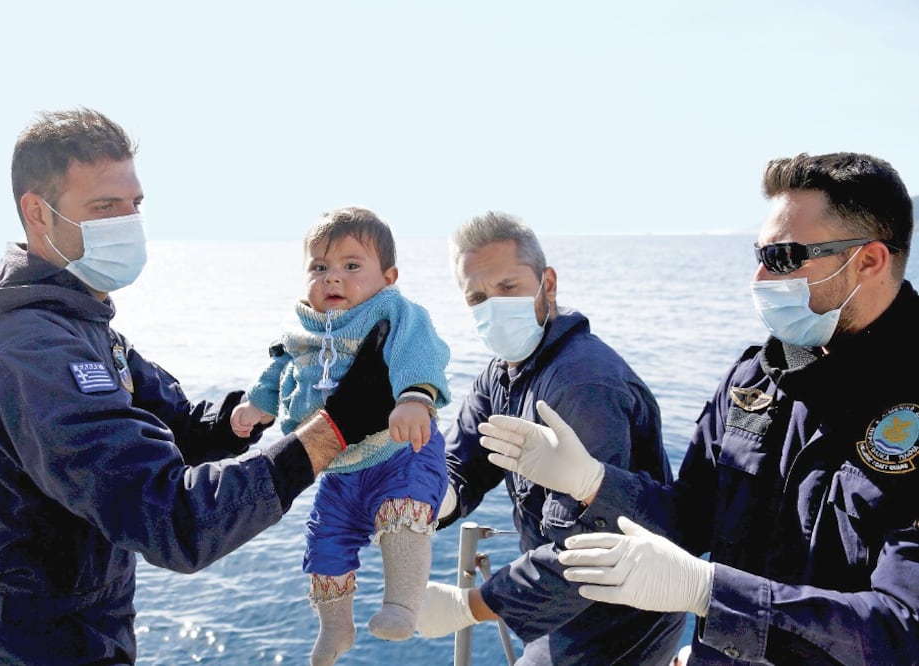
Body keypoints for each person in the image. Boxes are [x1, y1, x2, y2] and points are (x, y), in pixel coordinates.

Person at [0, 108, 398, 665]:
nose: (129, 222)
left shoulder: (78, 327)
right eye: (105, 208)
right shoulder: (32, 354)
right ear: (38, 213)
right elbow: (173, 518)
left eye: (136, 205)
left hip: (75, 634)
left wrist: (262, 407)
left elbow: (175, 425)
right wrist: (333, 429)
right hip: (21, 649)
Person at [479, 153, 919, 664]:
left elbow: (901, 629)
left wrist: (708, 591)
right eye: (760, 253)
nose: (759, 276)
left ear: (868, 260)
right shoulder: (753, 382)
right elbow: (689, 517)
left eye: (784, 257)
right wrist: (594, 483)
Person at [415, 212, 686, 664]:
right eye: (477, 297)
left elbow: (585, 545)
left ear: (549, 284)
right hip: (554, 610)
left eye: (507, 288)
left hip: (620, 615)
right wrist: (428, 497)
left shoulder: (583, 383)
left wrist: (471, 606)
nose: (493, 307)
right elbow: (461, 460)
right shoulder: (501, 375)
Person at [230, 207, 451, 665]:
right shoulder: (301, 325)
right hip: (339, 464)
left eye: (352, 266)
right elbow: (280, 369)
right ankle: (335, 626)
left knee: (403, 511)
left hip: (398, 448)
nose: (333, 278)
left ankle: (402, 605)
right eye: (320, 267)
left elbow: (419, 350)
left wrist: (414, 397)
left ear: (388, 276)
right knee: (325, 539)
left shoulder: (392, 310)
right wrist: (259, 404)